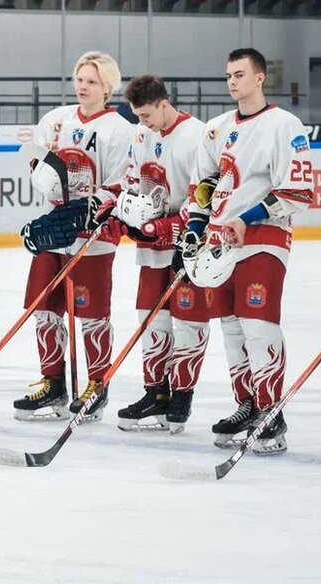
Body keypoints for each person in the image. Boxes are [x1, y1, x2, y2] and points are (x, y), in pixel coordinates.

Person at [182, 47, 314, 454]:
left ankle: (271, 412)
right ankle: (247, 403)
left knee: (258, 325)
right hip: (219, 245)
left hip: (264, 238)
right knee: (232, 328)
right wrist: (195, 227)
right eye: (228, 75)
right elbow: (204, 185)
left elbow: (299, 191)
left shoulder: (284, 125)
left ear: (260, 78)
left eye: (240, 74)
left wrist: (250, 215)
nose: (232, 81)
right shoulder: (216, 128)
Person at [15, 52, 133, 422]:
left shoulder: (120, 130)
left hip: (93, 235)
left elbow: (121, 183)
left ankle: (97, 386)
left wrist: (90, 207)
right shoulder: (55, 120)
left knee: (92, 315)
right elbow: (37, 170)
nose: (83, 86)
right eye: (80, 79)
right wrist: (43, 163)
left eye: (92, 82)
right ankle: (53, 385)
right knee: (44, 310)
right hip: (55, 230)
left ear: (108, 87)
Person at [113, 74, 209, 433]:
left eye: (147, 115)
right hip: (152, 245)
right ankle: (155, 393)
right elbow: (131, 180)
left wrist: (173, 226)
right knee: (150, 318)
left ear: (164, 104)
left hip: (189, 243)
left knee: (188, 322)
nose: (143, 123)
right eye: (138, 116)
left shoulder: (197, 135)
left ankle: (182, 396)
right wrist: (128, 213)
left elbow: (205, 193)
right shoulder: (141, 135)